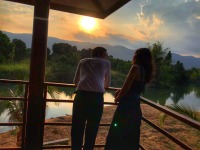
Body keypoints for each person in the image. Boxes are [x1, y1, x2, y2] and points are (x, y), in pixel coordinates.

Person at [105, 48, 153, 150]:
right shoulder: (145, 71)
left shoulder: (135, 68)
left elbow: (125, 89)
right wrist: (121, 90)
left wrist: (117, 98)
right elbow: (133, 88)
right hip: (135, 106)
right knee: (131, 133)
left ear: (137, 56)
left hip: (126, 106)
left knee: (118, 132)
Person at [71, 47, 111, 150]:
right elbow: (107, 84)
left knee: (77, 126)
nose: (106, 56)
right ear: (101, 54)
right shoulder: (106, 63)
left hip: (81, 96)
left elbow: (75, 81)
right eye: (106, 54)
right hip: (96, 98)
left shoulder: (83, 61)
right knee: (92, 128)